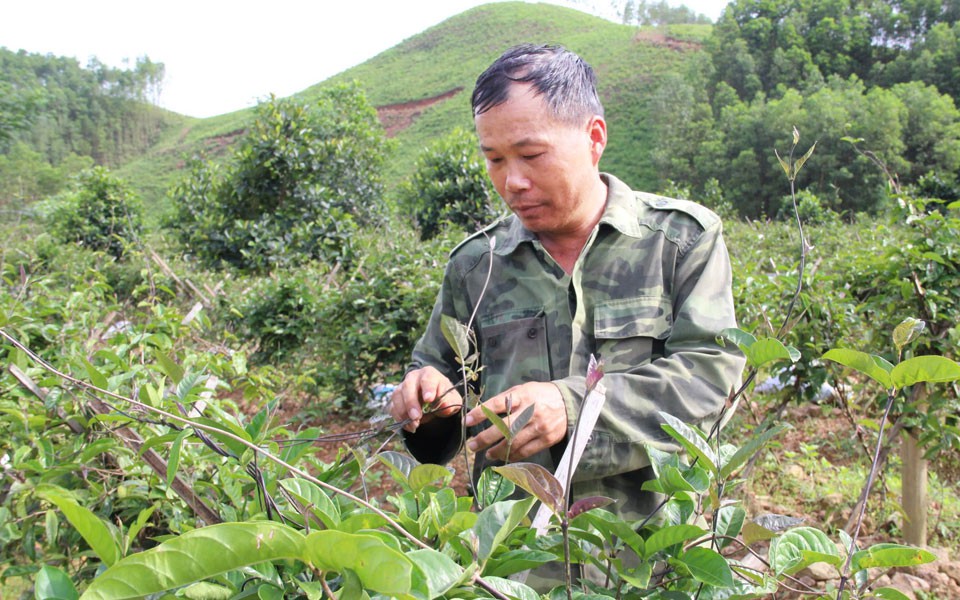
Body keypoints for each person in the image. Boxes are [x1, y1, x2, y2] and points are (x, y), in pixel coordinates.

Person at [388, 43, 745, 521]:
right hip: (515, 567)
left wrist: (572, 406)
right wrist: (426, 400)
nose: (512, 181)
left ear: (593, 137)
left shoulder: (678, 243)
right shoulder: (477, 265)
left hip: (650, 556)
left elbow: (709, 379)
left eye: (531, 154)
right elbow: (438, 383)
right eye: (494, 159)